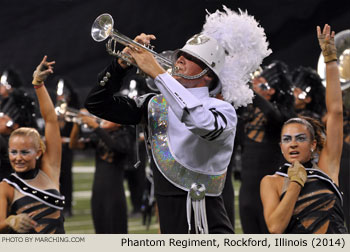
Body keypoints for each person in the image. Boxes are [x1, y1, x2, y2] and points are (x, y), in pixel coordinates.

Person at [85, 7, 271, 233]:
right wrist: (120, 65)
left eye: (191, 58)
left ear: (208, 74)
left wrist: (158, 73)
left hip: (207, 224)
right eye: (181, 54)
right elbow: (96, 103)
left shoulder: (224, 111)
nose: (179, 59)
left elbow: (198, 121)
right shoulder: (154, 103)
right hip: (170, 222)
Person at [260, 24, 347, 234]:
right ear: (281, 147)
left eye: (300, 138)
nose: (293, 144)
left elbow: (335, 112)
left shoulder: (326, 168)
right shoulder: (271, 182)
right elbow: (275, 228)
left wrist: (330, 59)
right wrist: (295, 185)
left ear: (313, 144)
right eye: (287, 139)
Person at [0, 56, 65, 234]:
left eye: (25, 152)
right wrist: (9, 221)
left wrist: (38, 83)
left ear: (38, 152)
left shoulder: (50, 170)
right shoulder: (6, 187)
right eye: (13, 152)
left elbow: (51, 120)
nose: (18, 158)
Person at [239, 60, 295, 233]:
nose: (254, 84)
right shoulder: (247, 111)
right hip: (246, 191)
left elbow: (273, 115)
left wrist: (251, 90)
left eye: (260, 83)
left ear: (271, 90)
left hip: (270, 191)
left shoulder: (283, 115)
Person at [69, 112, 134, 234]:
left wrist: (96, 127)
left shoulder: (125, 136)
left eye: (108, 118)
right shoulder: (99, 135)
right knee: (100, 229)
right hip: (98, 191)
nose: (104, 119)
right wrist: (76, 125)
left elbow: (117, 148)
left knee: (116, 229)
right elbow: (74, 145)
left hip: (114, 192)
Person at [54, 76, 80, 217]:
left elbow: (76, 134)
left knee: (66, 178)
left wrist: (65, 139)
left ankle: (68, 206)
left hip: (67, 149)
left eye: (63, 94)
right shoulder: (55, 110)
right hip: (55, 150)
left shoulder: (73, 111)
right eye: (59, 94)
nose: (60, 97)